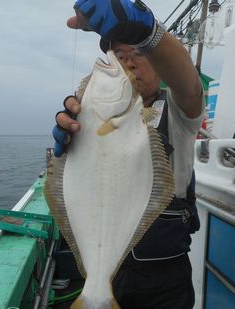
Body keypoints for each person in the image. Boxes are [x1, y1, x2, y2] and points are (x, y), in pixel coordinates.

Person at [52, 1, 205, 308]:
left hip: (165, 281)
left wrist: (147, 31)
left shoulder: (179, 111)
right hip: (109, 265)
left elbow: (188, 85)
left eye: (140, 53)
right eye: (120, 55)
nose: (129, 62)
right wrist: (71, 144)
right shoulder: (90, 112)